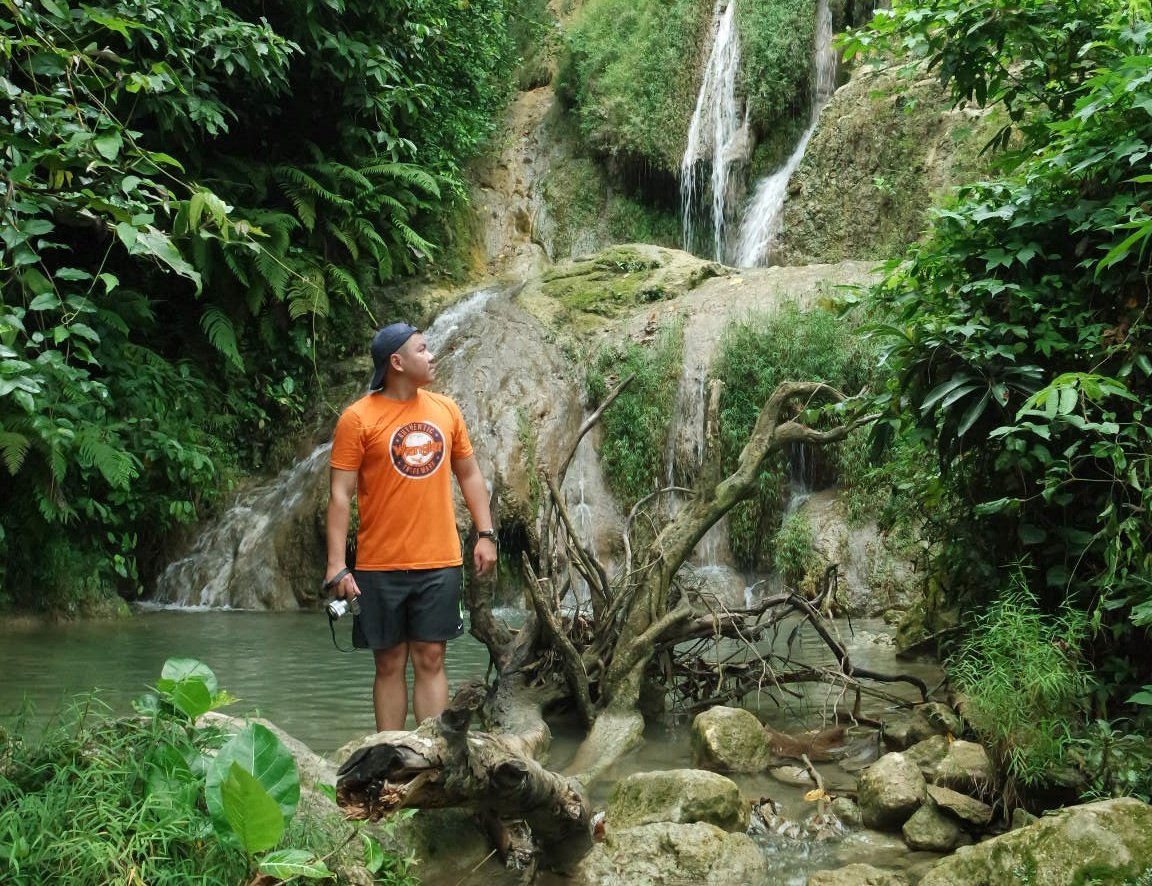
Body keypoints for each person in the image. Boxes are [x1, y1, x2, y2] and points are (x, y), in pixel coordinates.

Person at [323, 322, 497, 731]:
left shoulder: (446, 410)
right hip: (379, 564)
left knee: (431, 656)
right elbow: (340, 495)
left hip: (438, 560)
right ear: (397, 362)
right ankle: (389, 756)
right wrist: (336, 565)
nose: (432, 355)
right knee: (388, 662)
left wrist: (486, 533)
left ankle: (432, 758)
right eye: (423, 349)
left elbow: (469, 474)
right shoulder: (358, 418)